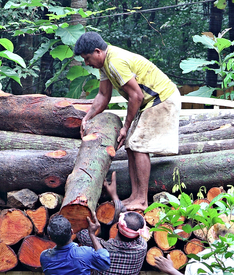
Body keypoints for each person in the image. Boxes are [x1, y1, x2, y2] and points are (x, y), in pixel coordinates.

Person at [74, 32, 181, 211]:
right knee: (130, 146)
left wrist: (126, 126)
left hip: (162, 98)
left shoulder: (115, 62)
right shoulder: (104, 65)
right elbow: (103, 95)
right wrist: (87, 117)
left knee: (138, 145)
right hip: (148, 101)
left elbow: (136, 95)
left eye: (87, 58)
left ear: (98, 51)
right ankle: (134, 196)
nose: (86, 63)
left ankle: (142, 200)